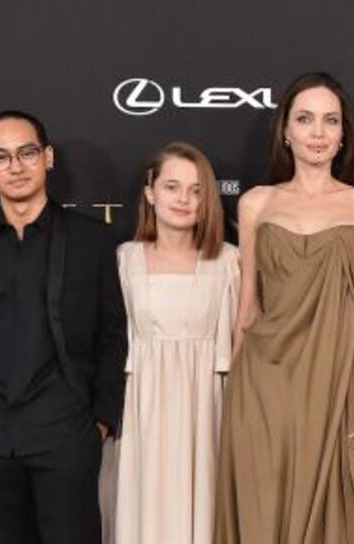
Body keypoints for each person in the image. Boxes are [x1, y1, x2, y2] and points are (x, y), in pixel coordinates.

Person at [214, 72, 354, 544]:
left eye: (330, 121)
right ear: (285, 131)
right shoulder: (257, 203)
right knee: (265, 518)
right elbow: (248, 309)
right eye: (305, 119)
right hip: (265, 388)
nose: (318, 132)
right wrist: (232, 400)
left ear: (343, 135)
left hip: (343, 383)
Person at [0, 109, 127, 544]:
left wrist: (100, 421)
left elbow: (113, 334)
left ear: (48, 157)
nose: (16, 166)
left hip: (65, 430)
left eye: (27, 152)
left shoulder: (92, 240)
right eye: (1, 157)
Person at [107, 142, 239, 544]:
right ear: (150, 193)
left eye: (196, 190)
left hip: (206, 411)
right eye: (172, 187)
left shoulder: (229, 261)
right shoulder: (124, 260)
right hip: (140, 409)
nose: (184, 199)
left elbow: (240, 347)